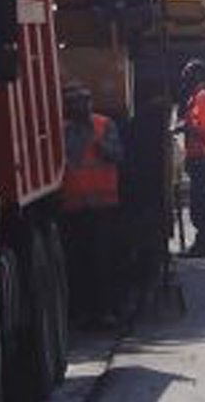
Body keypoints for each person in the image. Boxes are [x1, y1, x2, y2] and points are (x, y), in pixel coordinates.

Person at [59, 84, 125, 328]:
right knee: (78, 263)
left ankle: (105, 311)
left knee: (102, 262)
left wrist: (101, 147)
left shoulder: (104, 125)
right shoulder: (62, 131)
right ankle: (82, 312)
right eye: (74, 105)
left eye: (83, 103)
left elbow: (118, 154)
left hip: (102, 208)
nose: (80, 109)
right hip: (73, 209)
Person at [175, 59, 205, 257]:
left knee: (201, 205)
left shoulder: (202, 98)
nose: (184, 81)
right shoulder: (201, 96)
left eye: (187, 77)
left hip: (202, 158)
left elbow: (200, 127)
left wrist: (181, 127)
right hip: (203, 158)